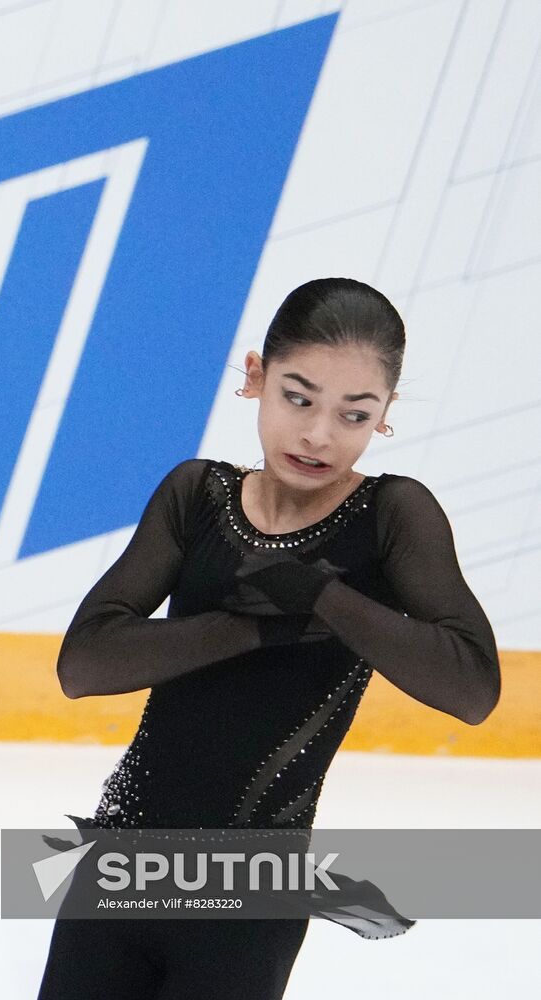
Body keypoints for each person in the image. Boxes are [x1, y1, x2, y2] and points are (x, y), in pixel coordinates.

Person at [36, 277, 501, 999]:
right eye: (298, 396)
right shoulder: (195, 495)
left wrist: (321, 594)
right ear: (255, 376)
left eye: (353, 413)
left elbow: (471, 689)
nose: (318, 434)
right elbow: (84, 665)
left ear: (383, 416)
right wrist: (253, 627)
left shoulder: (391, 517)